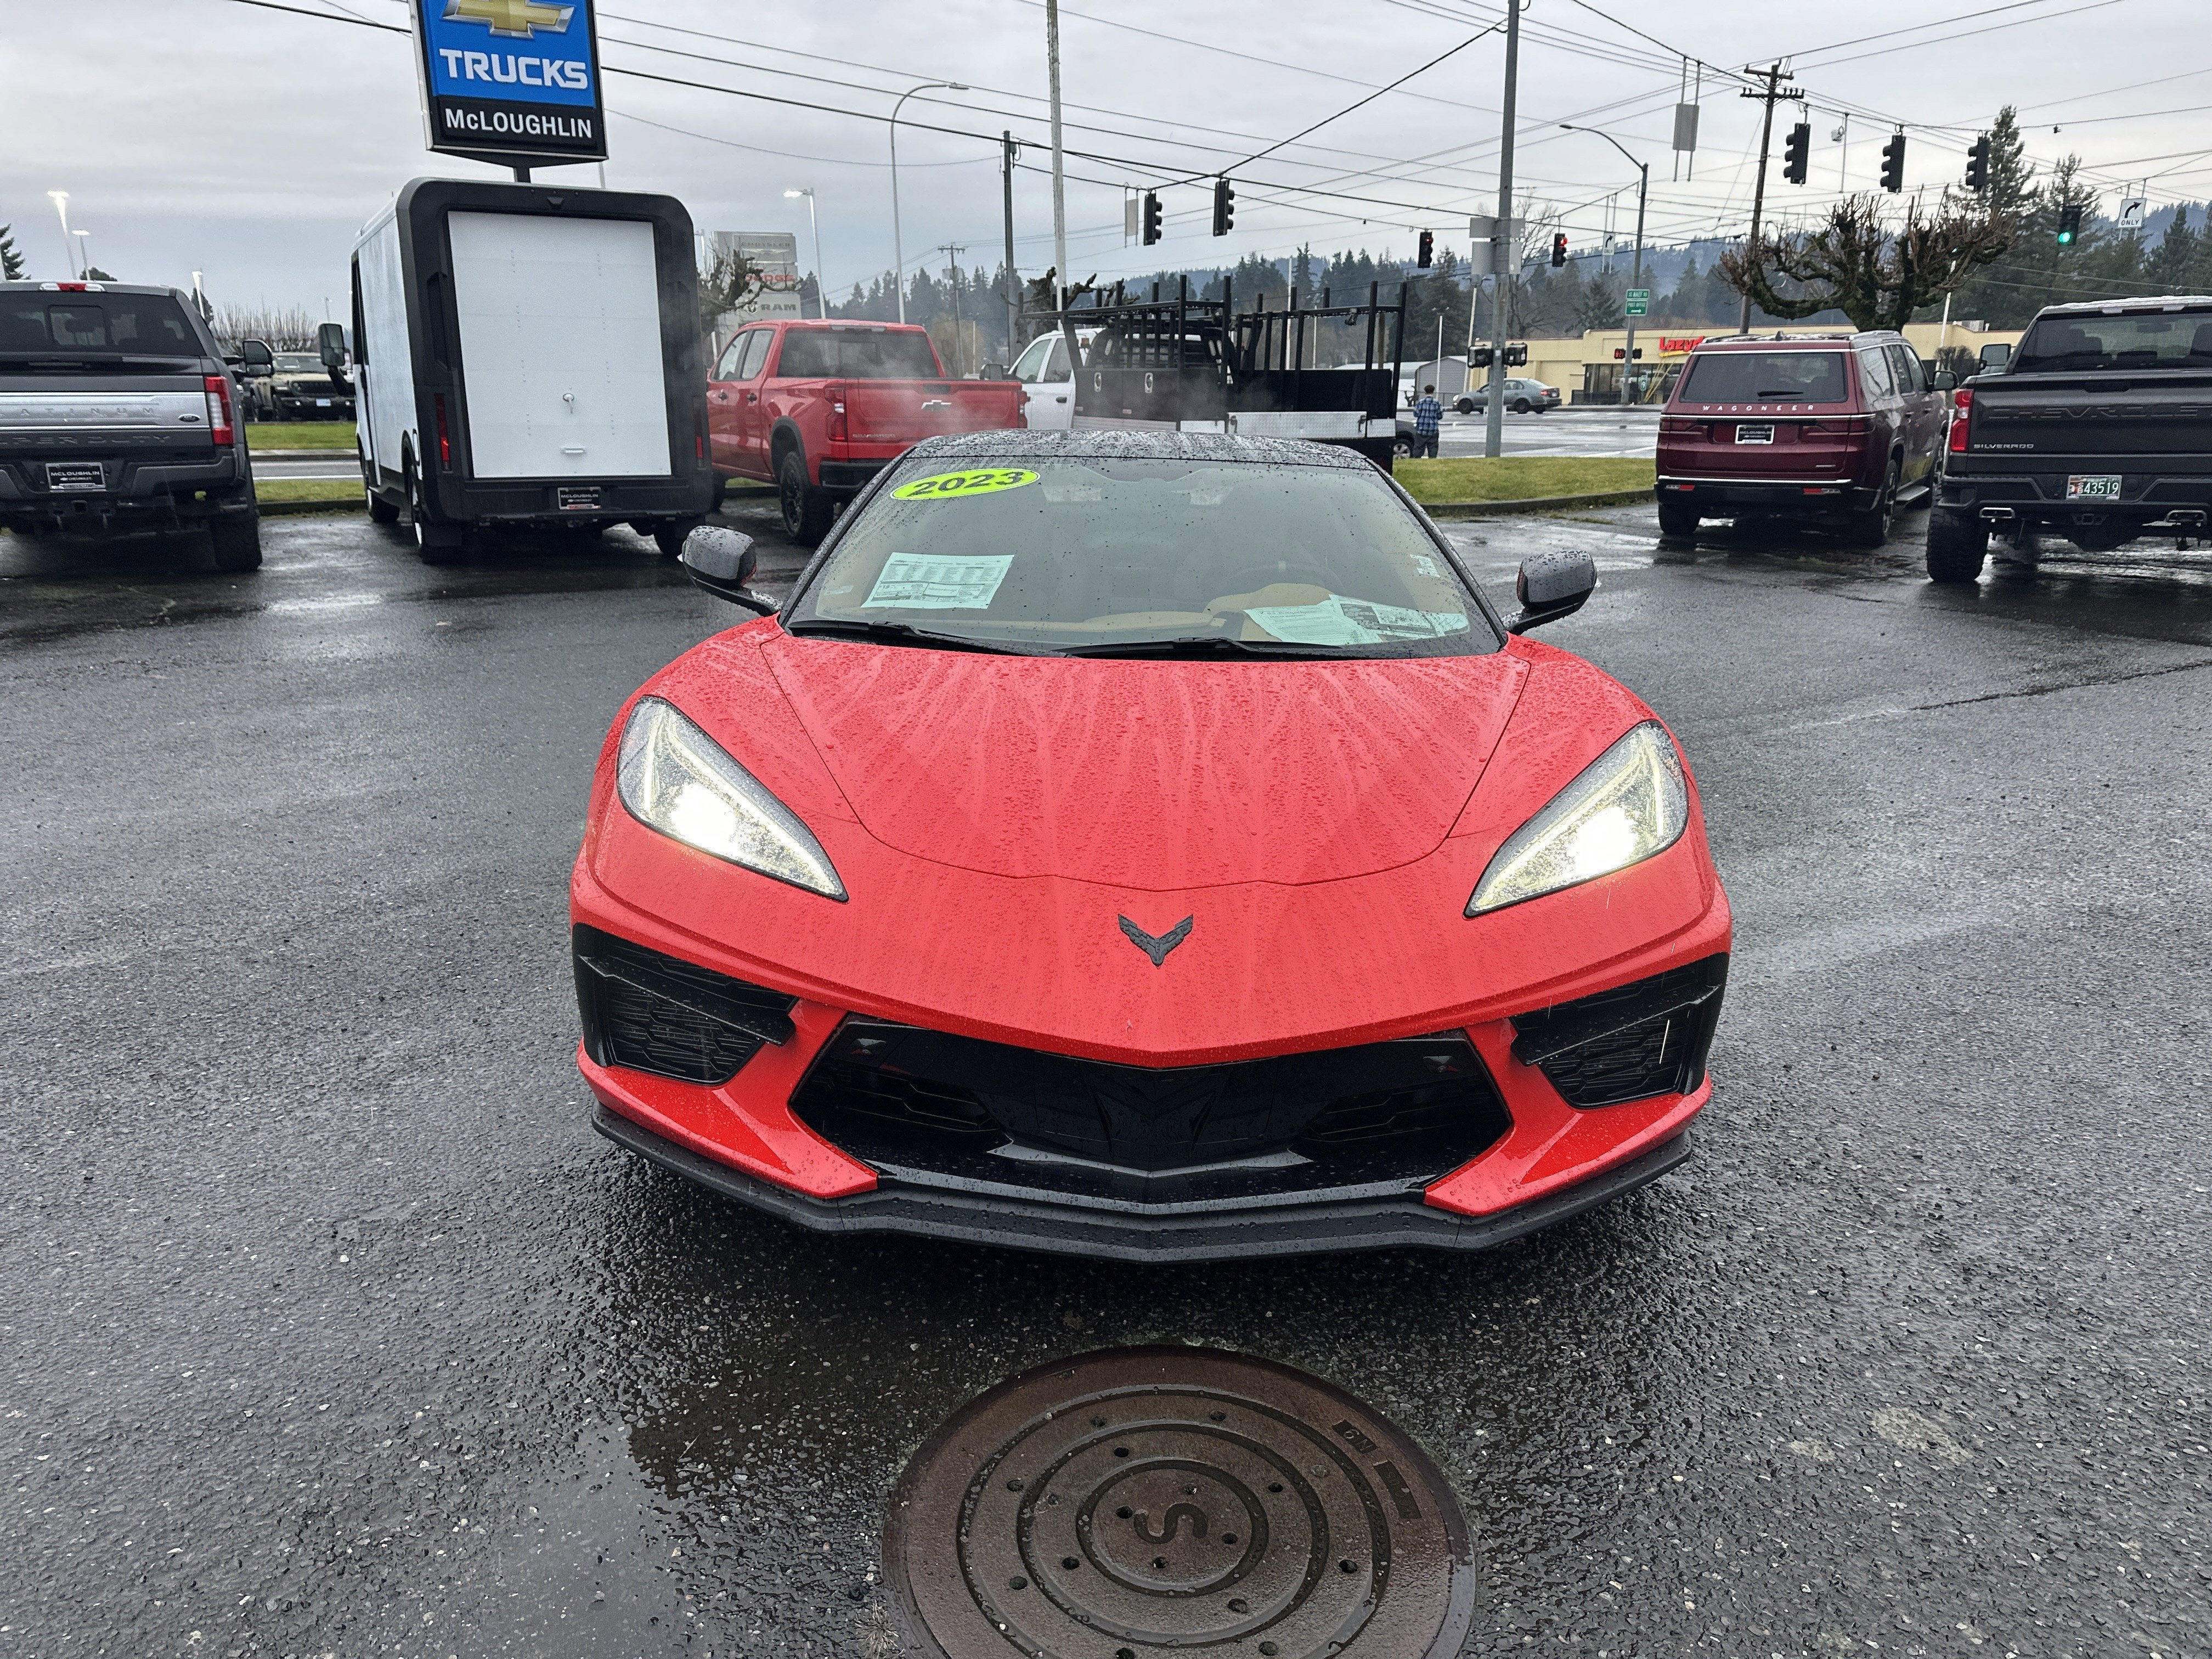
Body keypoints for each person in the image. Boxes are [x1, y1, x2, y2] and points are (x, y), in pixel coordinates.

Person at [1412, 383, 1443, 459]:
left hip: (1421, 430)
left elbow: (1416, 414)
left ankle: (1417, 462)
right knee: (1433, 449)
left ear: (1425, 392)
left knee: (1418, 448)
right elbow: (1440, 416)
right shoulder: (1437, 403)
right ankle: (1432, 463)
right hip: (1433, 430)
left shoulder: (1421, 402)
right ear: (1433, 392)